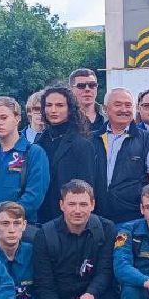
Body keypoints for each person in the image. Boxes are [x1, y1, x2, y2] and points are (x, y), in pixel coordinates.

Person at [29, 181, 122, 299]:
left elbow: (105, 272)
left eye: (83, 204)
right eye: (72, 204)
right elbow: (43, 285)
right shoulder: (45, 234)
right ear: (61, 205)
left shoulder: (106, 228)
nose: (77, 210)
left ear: (93, 205)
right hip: (59, 297)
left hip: (91, 296)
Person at [0, 96, 49, 229]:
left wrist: (5, 222)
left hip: (18, 233)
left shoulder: (34, 153)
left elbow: (34, 196)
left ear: (17, 118)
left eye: (4, 117)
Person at [97, 87, 149, 224]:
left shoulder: (147, 139)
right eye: (118, 105)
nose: (124, 109)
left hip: (132, 218)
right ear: (106, 109)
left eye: (128, 105)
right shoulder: (92, 139)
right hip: (97, 216)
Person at [36, 84, 103, 225]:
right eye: (48, 105)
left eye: (60, 105)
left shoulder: (83, 144)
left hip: (69, 219)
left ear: (70, 109)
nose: (53, 110)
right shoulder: (38, 142)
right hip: (40, 217)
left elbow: (87, 188)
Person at [69, 68, 106, 133]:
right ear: (71, 90)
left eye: (92, 85)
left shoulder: (109, 117)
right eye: (81, 86)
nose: (87, 89)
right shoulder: (64, 118)